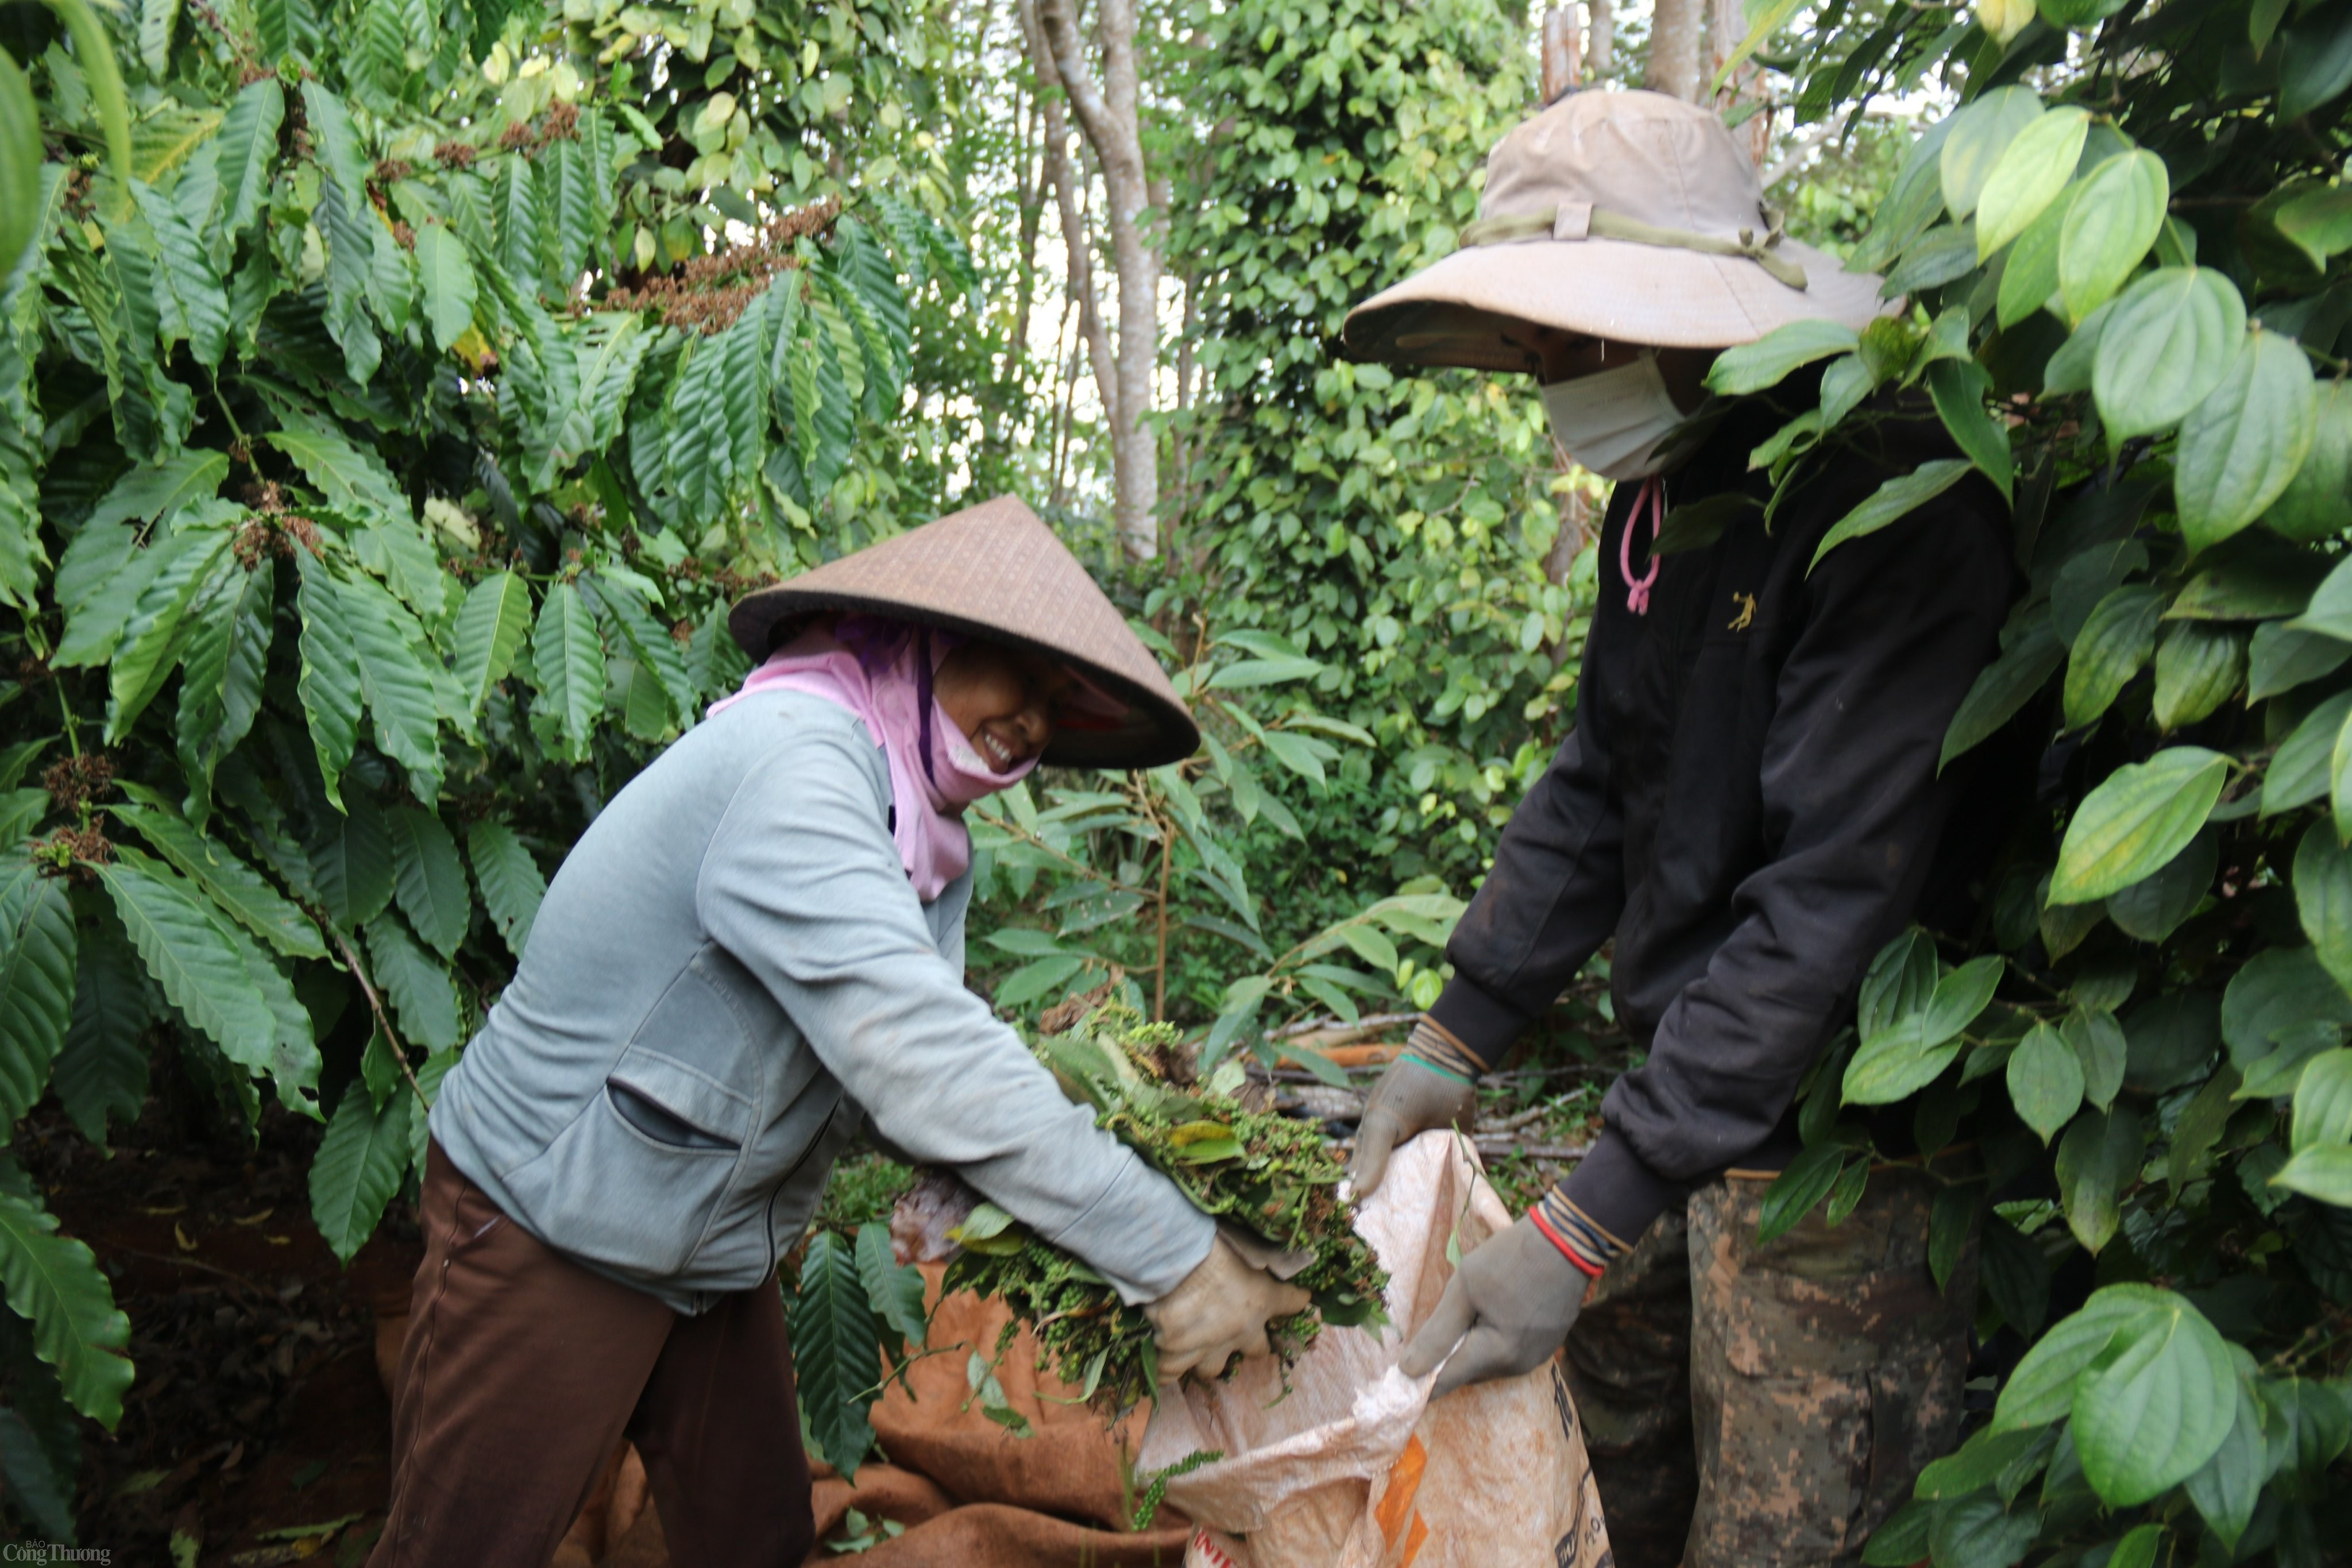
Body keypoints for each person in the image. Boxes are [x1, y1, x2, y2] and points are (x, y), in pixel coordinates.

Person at [370, 496, 1309, 1568]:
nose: (1036, 721)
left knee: (758, 1536)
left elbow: (896, 1078)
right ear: (924, 637)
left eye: (1060, 701)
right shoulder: (798, 764)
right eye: (1018, 672)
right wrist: (1173, 1255)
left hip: (708, 1245)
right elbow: (918, 1054)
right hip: (553, 1220)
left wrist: (1025, 1210)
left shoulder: (925, 832)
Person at [1338, 91, 2017, 1567]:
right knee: (1599, 1494)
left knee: (1785, 1541)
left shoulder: (1891, 496)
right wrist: (1454, 1036)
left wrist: (1581, 1223)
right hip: (1679, 1097)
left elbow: (1836, 901)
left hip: (1843, 1154)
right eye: (1535, 348)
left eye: (1572, 340)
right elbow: (1602, 773)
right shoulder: (1670, 490)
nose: (1547, 378)